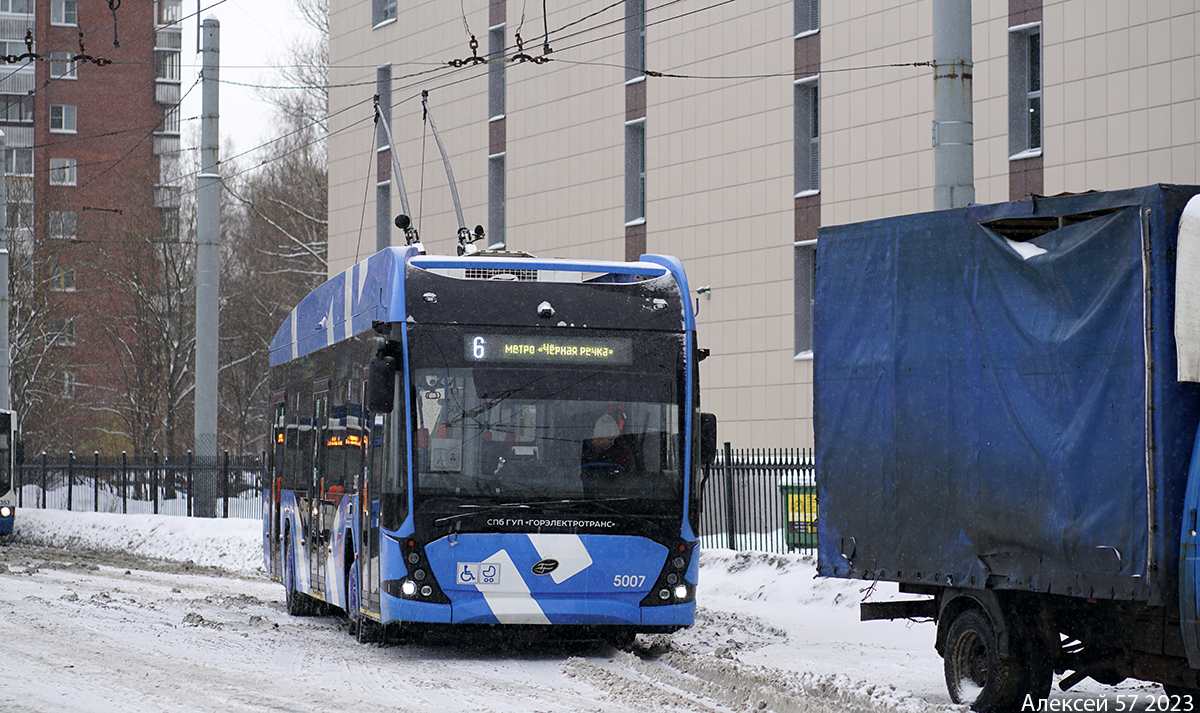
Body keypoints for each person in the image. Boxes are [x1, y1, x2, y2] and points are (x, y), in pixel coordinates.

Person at [580, 411, 634, 495]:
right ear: (599, 436)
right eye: (610, 439)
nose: (612, 443)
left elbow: (629, 473)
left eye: (614, 439)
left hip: (612, 495)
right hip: (580, 496)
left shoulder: (619, 448)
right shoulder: (580, 447)